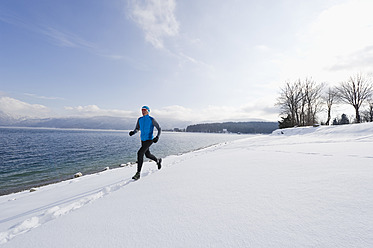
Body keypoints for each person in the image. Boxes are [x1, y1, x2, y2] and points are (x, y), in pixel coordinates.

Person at [129, 106, 162, 180]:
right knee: (147, 155)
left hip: (149, 139)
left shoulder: (151, 119)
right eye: (142, 110)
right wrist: (133, 132)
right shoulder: (139, 119)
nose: (143, 111)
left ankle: (138, 173)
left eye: (144, 110)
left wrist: (157, 137)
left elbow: (159, 128)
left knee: (140, 153)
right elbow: (137, 129)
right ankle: (158, 160)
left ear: (148, 111)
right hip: (143, 140)